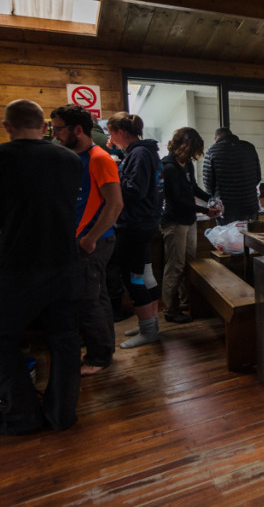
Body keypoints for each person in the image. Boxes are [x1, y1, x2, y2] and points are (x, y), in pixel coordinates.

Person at [0, 99, 83, 435]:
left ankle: (22, 415)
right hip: (64, 262)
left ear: (7, 126)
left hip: (18, 264)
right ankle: (61, 414)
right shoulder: (70, 159)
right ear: (44, 126)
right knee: (64, 340)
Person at [51, 104, 124, 376]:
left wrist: (90, 238)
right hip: (84, 238)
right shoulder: (73, 158)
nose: (55, 134)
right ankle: (105, 349)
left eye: (59, 129)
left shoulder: (99, 158)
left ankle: (99, 356)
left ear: (77, 129)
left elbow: (115, 204)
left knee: (87, 300)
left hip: (94, 240)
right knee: (98, 296)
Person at [107, 112, 164, 349]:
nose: (110, 138)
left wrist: (113, 170)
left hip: (135, 225)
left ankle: (148, 330)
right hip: (145, 223)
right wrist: (121, 160)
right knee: (145, 275)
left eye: (111, 133)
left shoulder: (138, 154)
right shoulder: (146, 151)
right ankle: (148, 324)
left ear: (121, 133)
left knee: (134, 278)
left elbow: (134, 190)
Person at [160, 127, 217, 325]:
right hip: (174, 222)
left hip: (188, 220)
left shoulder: (187, 165)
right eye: (194, 150)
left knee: (190, 263)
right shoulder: (168, 167)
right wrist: (205, 211)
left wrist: (211, 199)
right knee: (174, 266)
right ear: (186, 146)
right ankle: (170, 310)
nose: (195, 155)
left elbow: (193, 188)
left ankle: (186, 302)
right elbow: (176, 200)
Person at [202, 127, 261, 224]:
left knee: (226, 236)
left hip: (226, 206)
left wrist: (213, 200)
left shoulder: (212, 151)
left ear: (216, 138)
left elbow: (208, 182)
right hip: (249, 204)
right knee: (250, 236)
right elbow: (257, 177)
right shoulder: (249, 147)